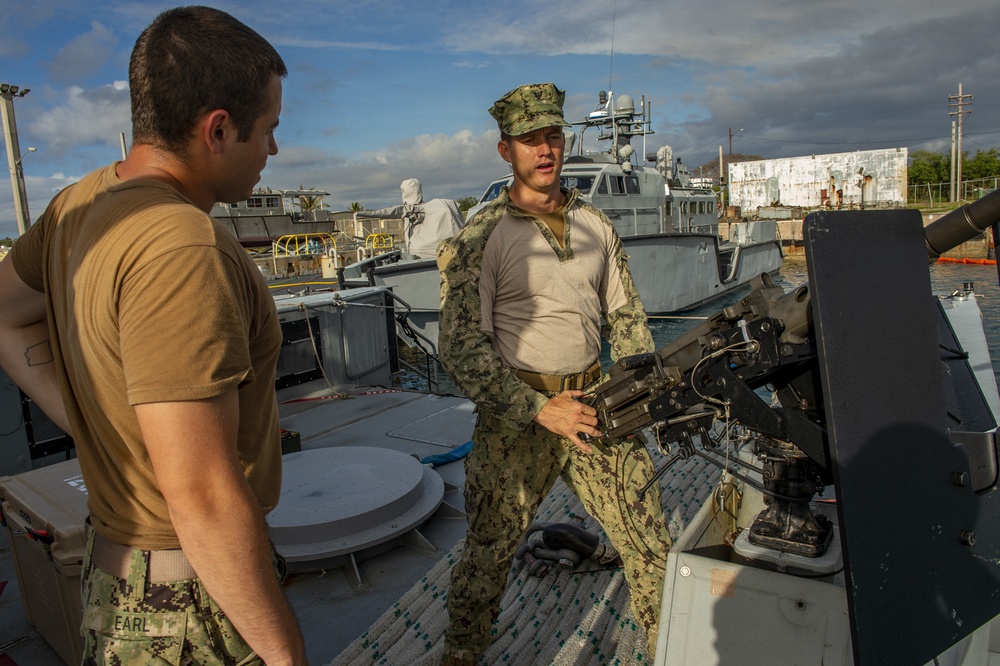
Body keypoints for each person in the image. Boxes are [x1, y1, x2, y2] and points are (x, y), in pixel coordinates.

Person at [0, 7, 307, 665]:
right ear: (217, 129)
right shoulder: (182, 247)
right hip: (188, 603)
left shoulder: (75, 206)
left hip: (116, 582)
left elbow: (5, 313)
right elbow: (200, 497)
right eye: (269, 130)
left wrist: (91, 422)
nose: (273, 152)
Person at [437, 83, 672, 665]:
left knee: (651, 545)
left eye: (553, 136)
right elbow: (461, 346)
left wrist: (645, 394)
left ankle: (666, 648)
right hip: (519, 418)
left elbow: (627, 319)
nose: (544, 149)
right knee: (487, 556)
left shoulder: (596, 223)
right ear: (504, 151)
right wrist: (540, 409)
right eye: (529, 139)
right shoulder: (482, 234)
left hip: (596, 406)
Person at [358, 178, 464, 259]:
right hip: (453, 252)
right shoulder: (444, 205)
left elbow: (392, 212)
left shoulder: (412, 210)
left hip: (422, 255)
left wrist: (364, 214)